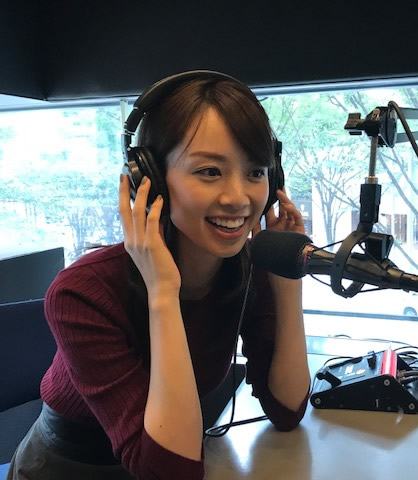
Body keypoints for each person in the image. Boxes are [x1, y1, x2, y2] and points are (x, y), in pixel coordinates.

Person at [7, 72, 311, 479]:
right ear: (149, 179)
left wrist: (286, 281)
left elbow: (287, 409)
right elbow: (171, 472)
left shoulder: (246, 270)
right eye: (210, 171)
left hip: (175, 450)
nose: (239, 198)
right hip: (66, 467)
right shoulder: (82, 292)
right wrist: (164, 293)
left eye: (256, 172)